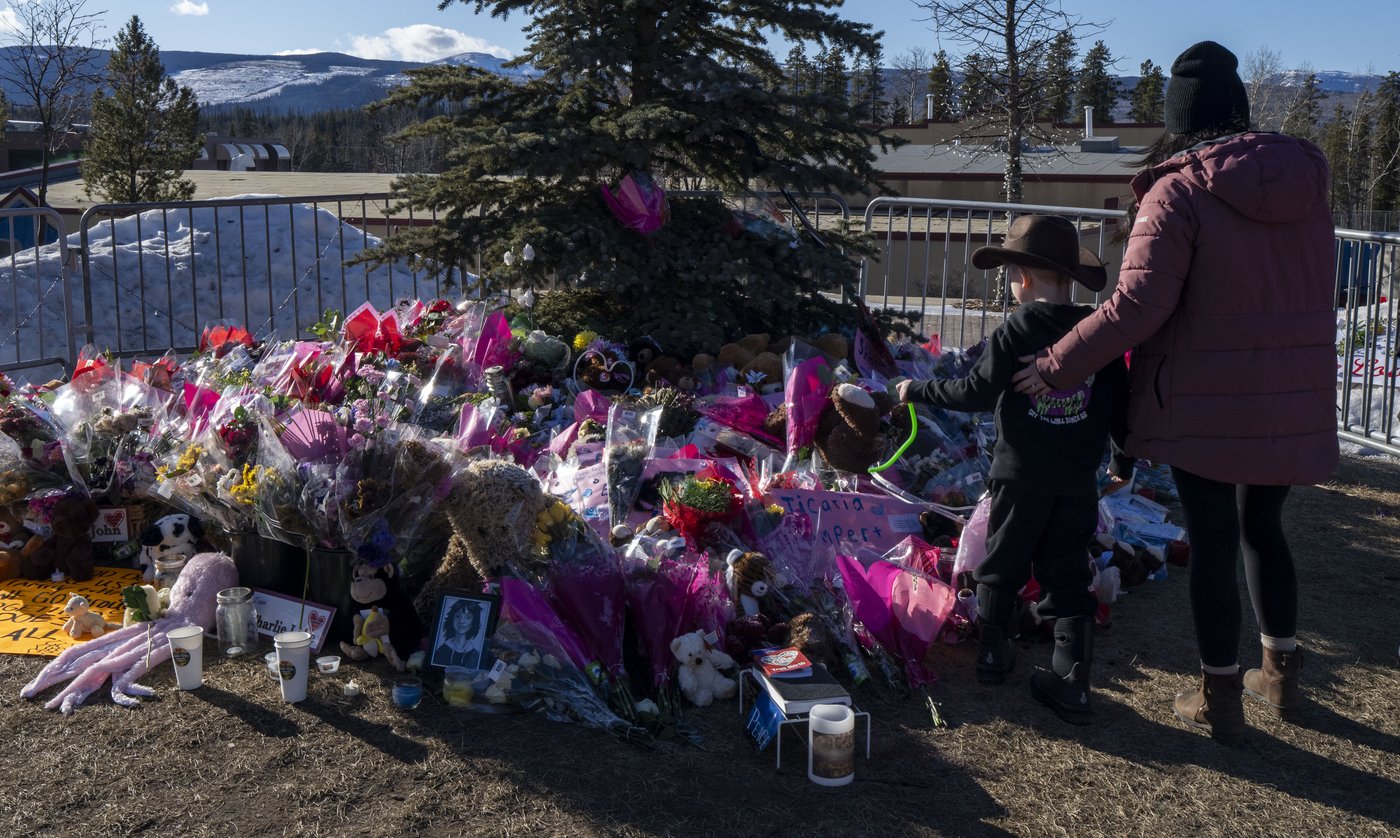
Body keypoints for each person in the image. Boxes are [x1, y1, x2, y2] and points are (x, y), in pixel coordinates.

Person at [1010, 41, 1338, 744]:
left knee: (1213, 539)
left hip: (1205, 396)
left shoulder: (1179, 190)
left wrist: (1058, 364)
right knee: (1264, 527)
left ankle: (1221, 697)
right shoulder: (1307, 187)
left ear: (1180, 118)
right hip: (1289, 391)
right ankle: (1281, 674)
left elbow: (1135, 308)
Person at [897, 213, 1131, 725]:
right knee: (1067, 573)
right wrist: (1123, 459)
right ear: (1068, 277)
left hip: (1018, 476)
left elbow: (975, 393)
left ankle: (993, 653)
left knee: (1002, 562)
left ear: (1022, 277)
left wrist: (916, 389)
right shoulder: (1098, 336)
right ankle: (1073, 681)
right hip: (1076, 481)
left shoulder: (1016, 329)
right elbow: (1122, 407)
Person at [433, 599, 485, 669]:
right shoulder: (441, 651)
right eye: (457, 616)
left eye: (468, 617)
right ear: (452, 618)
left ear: (474, 621)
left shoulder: (476, 655)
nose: (461, 621)